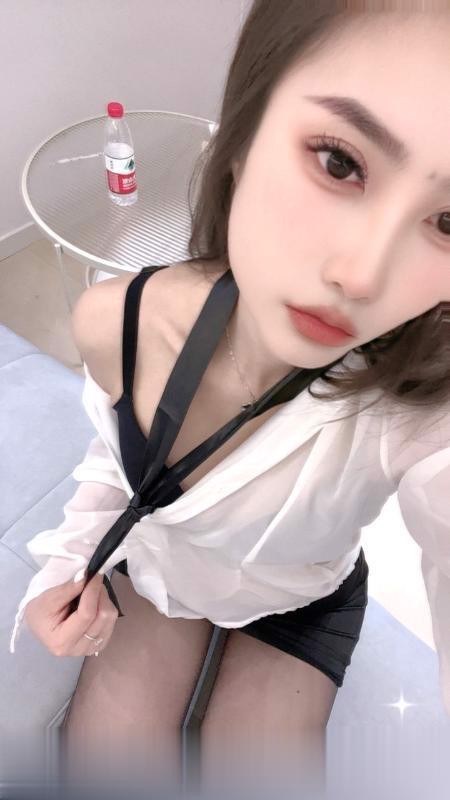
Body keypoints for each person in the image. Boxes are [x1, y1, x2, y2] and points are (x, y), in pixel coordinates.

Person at [10, 1, 450, 797]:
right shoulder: (116, 319)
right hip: (161, 574)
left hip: (303, 597)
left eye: (449, 221)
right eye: (339, 162)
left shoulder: (413, 417)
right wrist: (69, 564)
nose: (362, 275)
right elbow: (119, 462)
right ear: (243, 135)